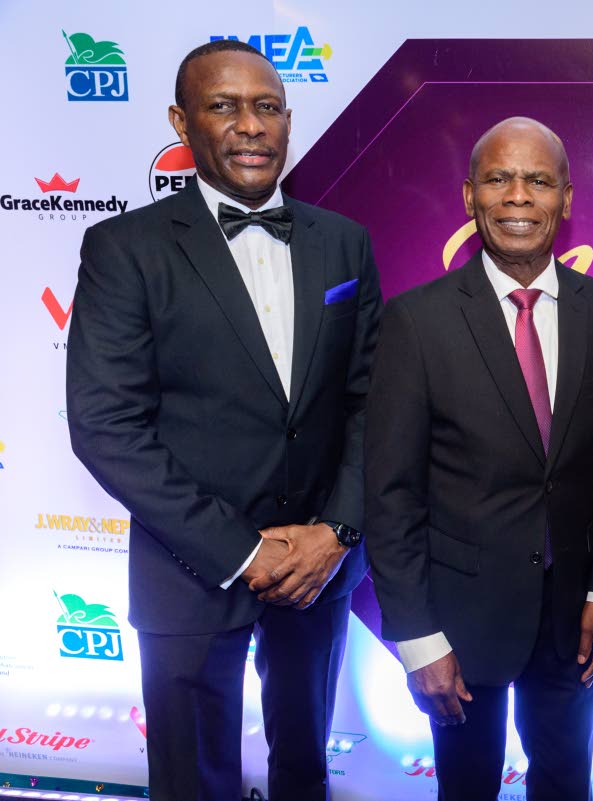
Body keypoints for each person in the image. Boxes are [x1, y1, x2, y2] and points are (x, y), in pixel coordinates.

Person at [66, 40, 381, 801]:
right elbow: (106, 424)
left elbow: (373, 401)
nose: (250, 126)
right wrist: (240, 550)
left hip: (315, 569)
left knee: (305, 765)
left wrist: (334, 532)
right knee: (193, 781)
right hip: (190, 569)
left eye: (267, 107)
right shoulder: (124, 248)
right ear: (182, 121)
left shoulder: (343, 241)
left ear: (287, 120)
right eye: (224, 106)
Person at [364, 116, 593, 801]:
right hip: (459, 618)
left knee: (565, 783)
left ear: (567, 199)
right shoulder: (415, 320)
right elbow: (390, 493)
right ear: (469, 196)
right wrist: (419, 638)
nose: (518, 195)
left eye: (538, 180)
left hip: (573, 617)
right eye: (499, 178)